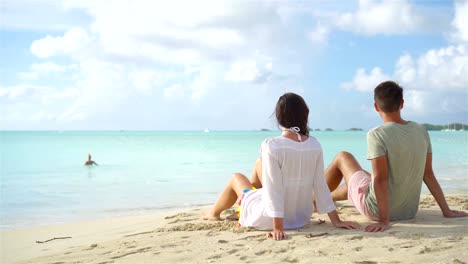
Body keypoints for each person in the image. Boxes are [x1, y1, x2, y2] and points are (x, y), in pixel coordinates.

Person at [204, 93, 360, 240]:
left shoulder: (272, 145)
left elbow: (274, 188)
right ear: (305, 115)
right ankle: (240, 208)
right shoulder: (315, 145)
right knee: (260, 164)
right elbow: (321, 186)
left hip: (270, 218)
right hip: (300, 218)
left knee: (236, 177)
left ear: (279, 117)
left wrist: (278, 227)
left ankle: (214, 213)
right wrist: (336, 221)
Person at [324, 81, 468, 233]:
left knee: (343, 157)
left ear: (376, 107)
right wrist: (447, 211)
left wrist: (384, 220)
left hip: (377, 211)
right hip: (408, 212)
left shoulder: (377, 134)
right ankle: (325, 199)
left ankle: (314, 199)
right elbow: (428, 174)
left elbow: (381, 179)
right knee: (363, 179)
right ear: (402, 104)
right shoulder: (421, 131)